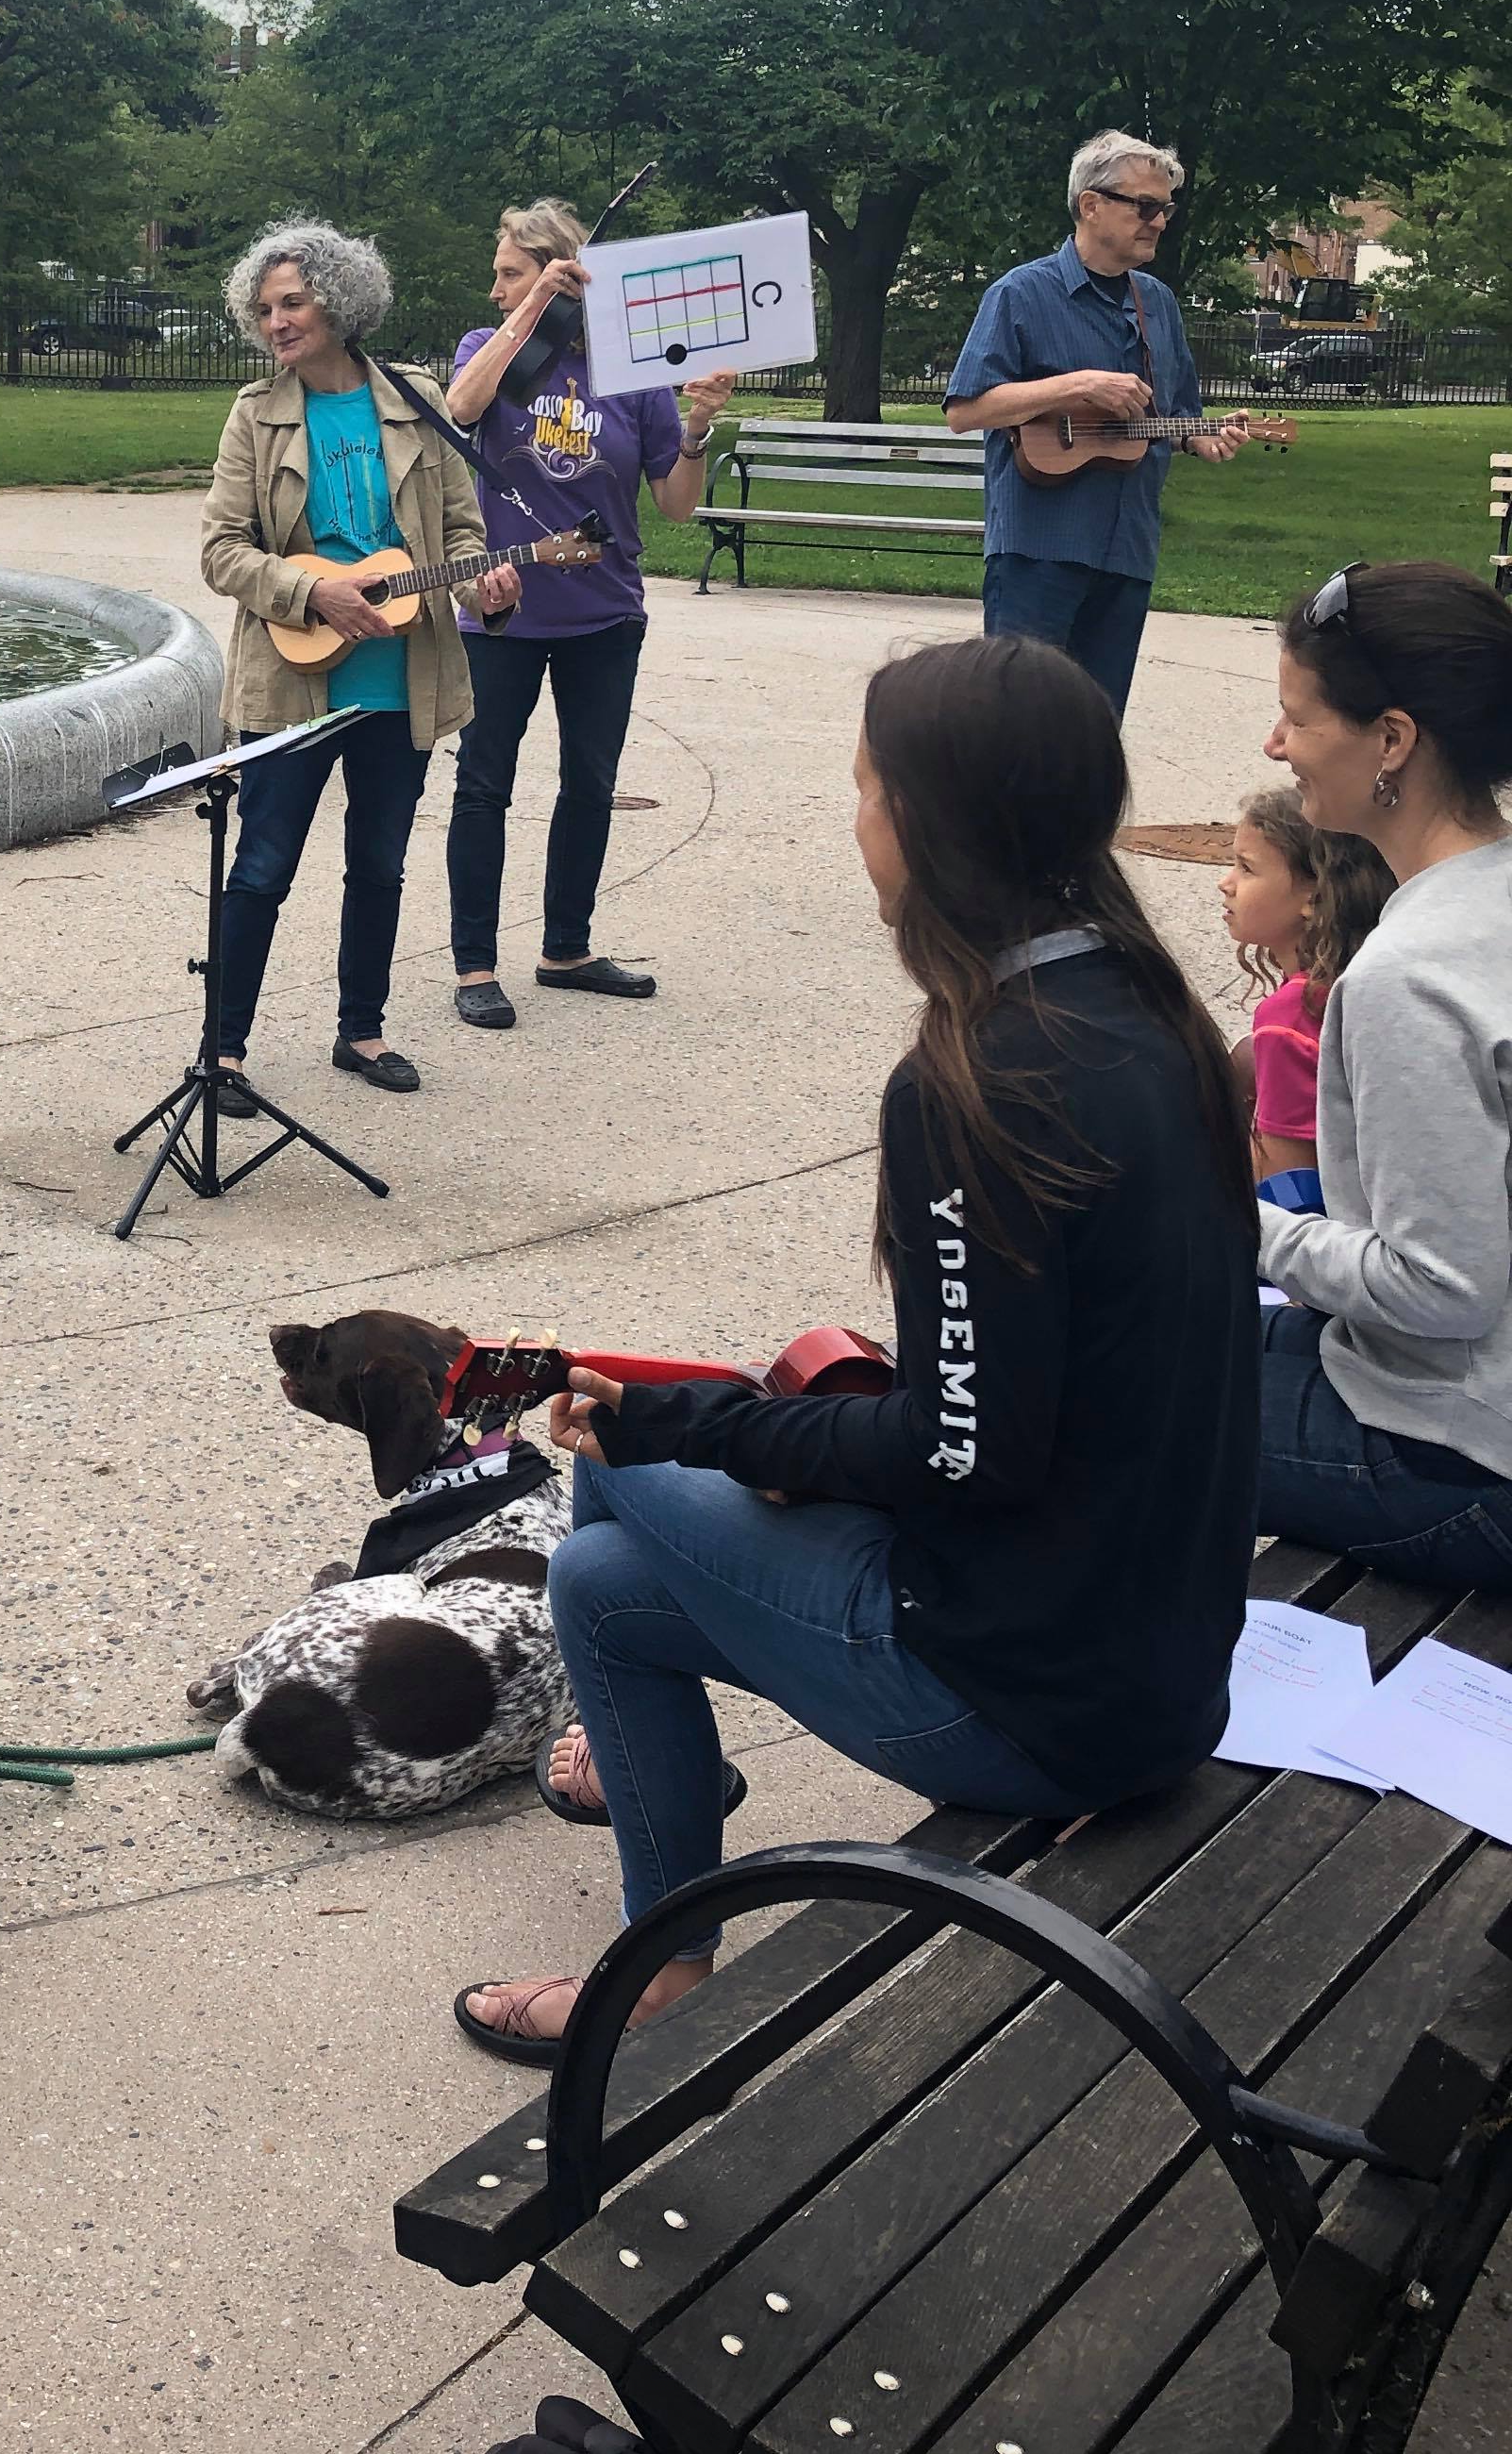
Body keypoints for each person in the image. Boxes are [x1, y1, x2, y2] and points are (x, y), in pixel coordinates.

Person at [456, 633, 1259, 2064]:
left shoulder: (974, 1083)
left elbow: (964, 1452)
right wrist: (731, 1426)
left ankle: (662, 1953)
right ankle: (655, 1860)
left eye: (866, 790)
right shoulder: (1162, 1019)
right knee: (598, 1575)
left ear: (932, 829)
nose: (857, 821)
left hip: (1033, 1701)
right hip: (1162, 1660)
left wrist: (696, 1425)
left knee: (619, 1475)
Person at [197, 217, 519, 1101]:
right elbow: (223, 551)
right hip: (291, 677)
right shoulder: (254, 416)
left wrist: (483, 583)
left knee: (379, 862)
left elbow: (461, 533)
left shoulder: (416, 400)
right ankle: (222, 1052)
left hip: (399, 680)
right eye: (264, 309)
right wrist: (314, 595)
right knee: (261, 866)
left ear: (339, 302)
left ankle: (362, 1032)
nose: (277, 322)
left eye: (292, 302)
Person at [1254, 559, 1512, 1592]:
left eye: (1298, 720)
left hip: (1465, 1463)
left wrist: (1245, 1224)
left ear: (1394, 740)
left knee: (1082, 1398)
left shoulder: (1411, 976)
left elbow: (1443, 1290)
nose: (1276, 746)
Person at [440, 199, 730, 1025]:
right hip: (504, 606)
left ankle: (566, 946)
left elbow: (674, 505)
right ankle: (474, 966)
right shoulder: (486, 351)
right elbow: (461, 407)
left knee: (590, 783)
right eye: (500, 276)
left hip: (605, 612)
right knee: (483, 786)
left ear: (563, 275)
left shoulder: (631, 371)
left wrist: (699, 424)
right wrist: (533, 312)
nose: (494, 289)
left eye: (510, 274)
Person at [944, 129, 1244, 715]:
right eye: (1146, 207)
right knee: (1016, 724)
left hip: (1127, 546)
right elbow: (965, 410)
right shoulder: (1021, 294)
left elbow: (1178, 418)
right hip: (1039, 547)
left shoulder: (1157, 302)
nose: (1159, 222)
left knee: (1097, 732)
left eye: (1166, 209)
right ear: (1091, 205)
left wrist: (1205, 437)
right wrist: (1080, 384)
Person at [1219, 783, 1391, 1211]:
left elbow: (1288, 1190)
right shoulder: (1357, 976)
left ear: (1313, 899)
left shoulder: (1290, 1017)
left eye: (1247, 868)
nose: (1226, 883)